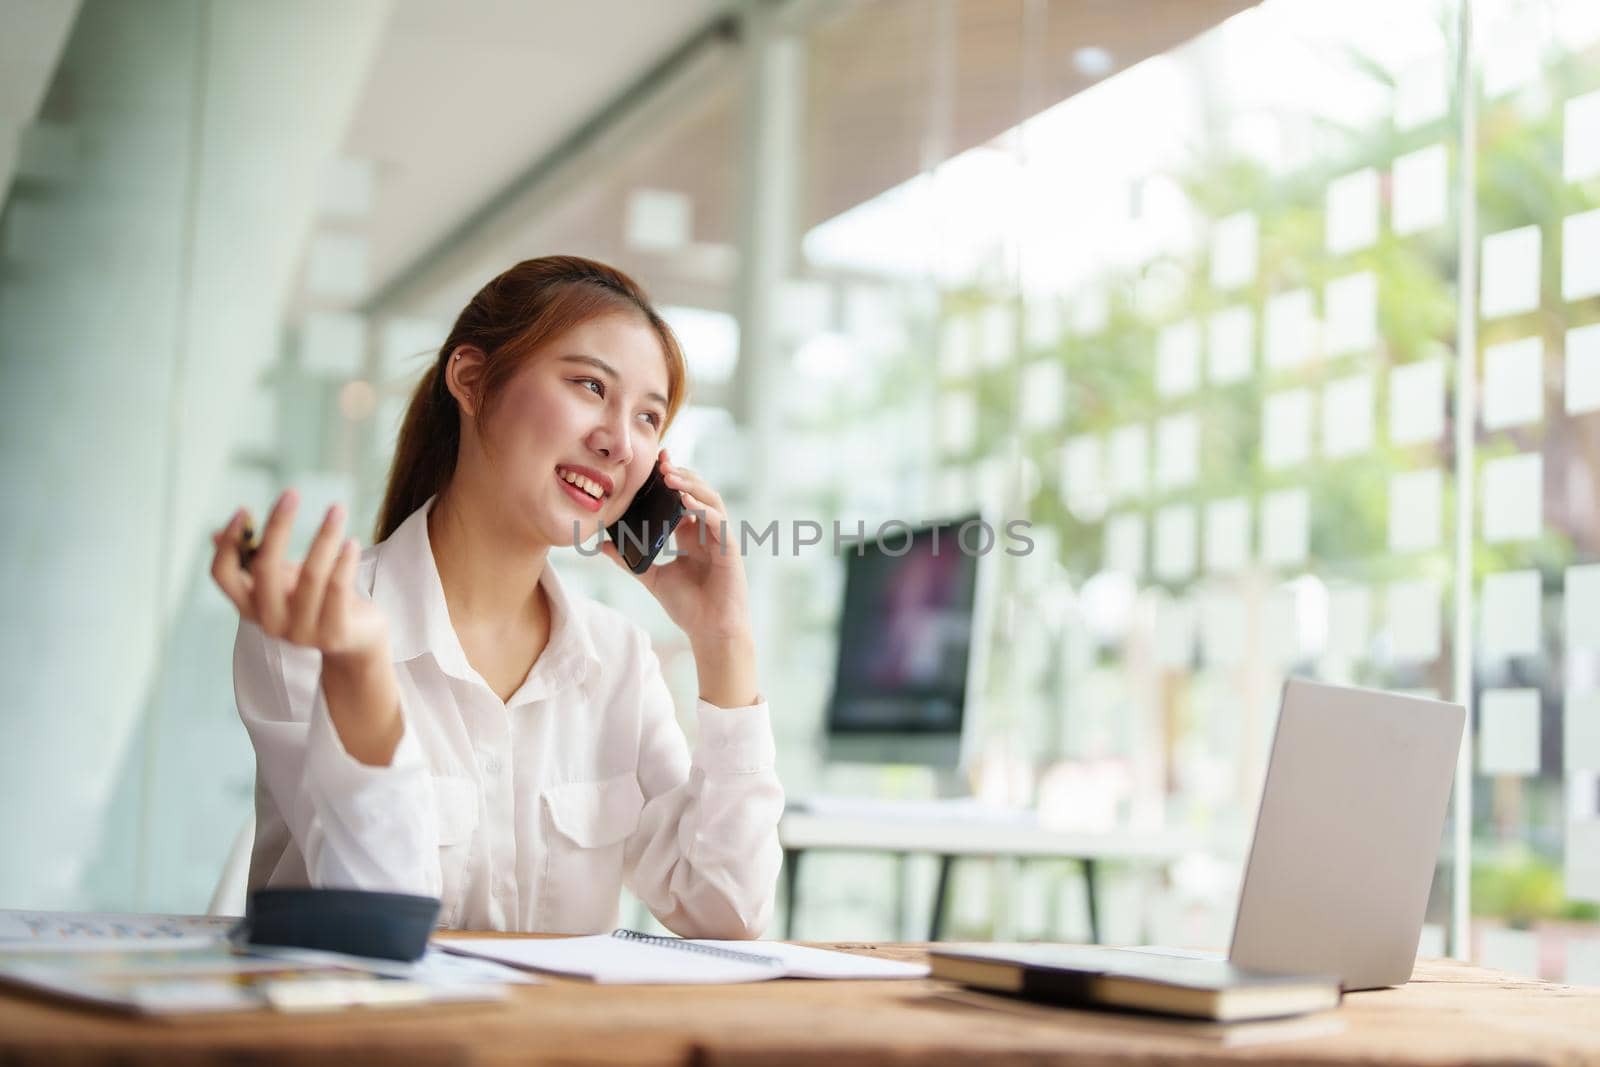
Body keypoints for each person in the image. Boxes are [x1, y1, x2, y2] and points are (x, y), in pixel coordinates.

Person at [207, 256, 782, 937]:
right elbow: (380, 924)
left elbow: (727, 910)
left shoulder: (617, 660)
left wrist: (725, 643)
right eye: (591, 386)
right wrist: (361, 672)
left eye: (649, 417)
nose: (619, 441)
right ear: (473, 380)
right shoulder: (319, 624)